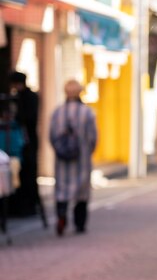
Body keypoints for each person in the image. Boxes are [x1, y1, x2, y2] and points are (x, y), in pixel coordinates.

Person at [49, 79, 97, 236]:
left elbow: (51, 136)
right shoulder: (87, 112)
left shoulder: (57, 112)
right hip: (81, 159)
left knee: (62, 189)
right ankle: (79, 224)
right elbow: (93, 137)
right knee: (81, 193)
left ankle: (62, 215)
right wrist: (88, 151)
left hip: (62, 159)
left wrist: (59, 149)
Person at [8, 71, 43, 218]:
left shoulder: (29, 98)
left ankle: (29, 205)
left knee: (28, 172)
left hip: (28, 142)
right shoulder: (16, 98)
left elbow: (28, 118)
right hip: (20, 142)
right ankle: (19, 205)